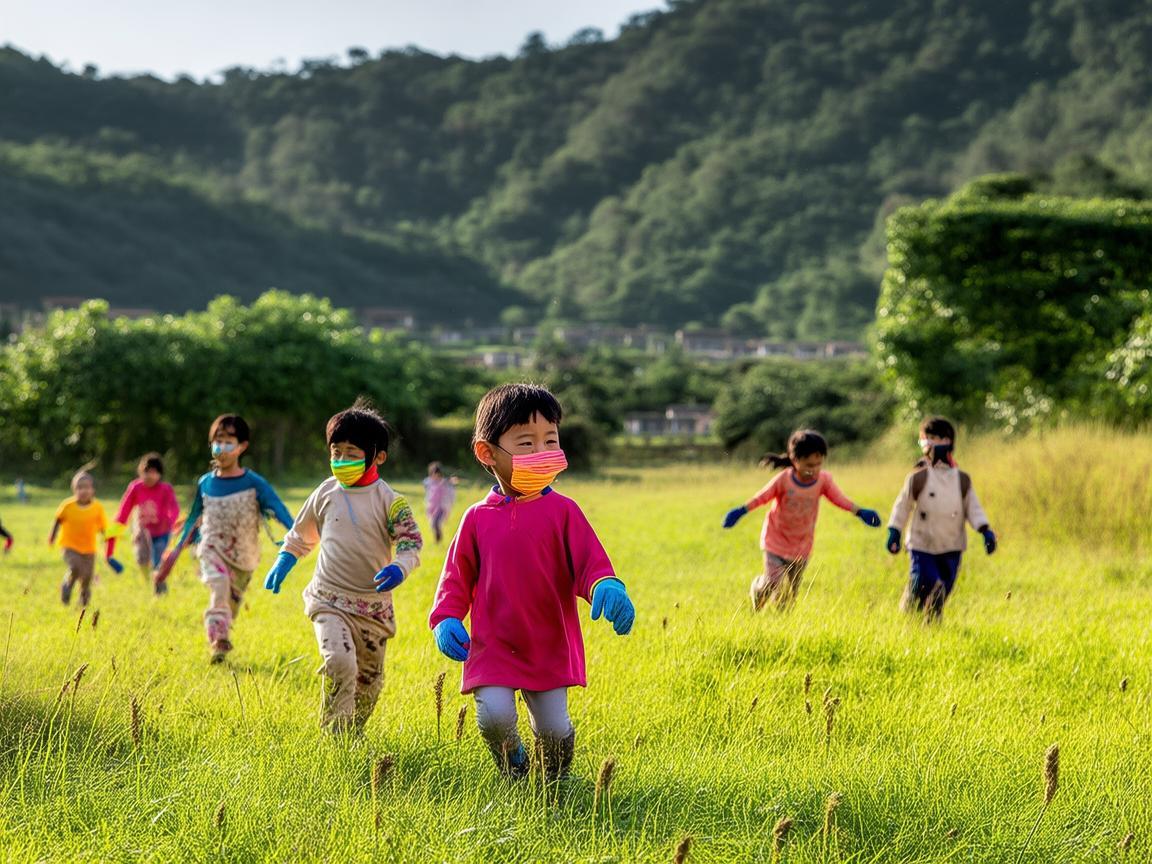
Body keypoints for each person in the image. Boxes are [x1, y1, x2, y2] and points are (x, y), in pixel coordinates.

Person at [429, 383, 635, 780]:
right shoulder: (476, 518)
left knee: (554, 730)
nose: (542, 453)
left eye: (550, 440)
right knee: (493, 717)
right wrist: (446, 618)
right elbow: (455, 577)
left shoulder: (564, 512)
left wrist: (606, 585)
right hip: (493, 643)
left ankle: (553, 782)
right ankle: (515, 771)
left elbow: (590, 563)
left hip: (548, 642)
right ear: (487, 452)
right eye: (526, 443)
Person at [264, 401, 422, 734]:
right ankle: (333, 734)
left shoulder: (391, 501)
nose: (341, 461)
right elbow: (301, 534)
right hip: (329, 599)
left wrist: (400, 567)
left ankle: (352, 733)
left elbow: (411, 544)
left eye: (352, 453)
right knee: (339, 661)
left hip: (372, 609)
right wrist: (284, 560)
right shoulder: (326, 492)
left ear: (378, 456)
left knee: (369, 681)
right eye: (336, 452)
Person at [156, 414, 293, 663]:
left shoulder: (254, 483)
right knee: (219, 584)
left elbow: (278, 508)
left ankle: (221, 639)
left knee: (231, 605)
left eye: (229, 441)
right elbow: (193, 519)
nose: (222, 447)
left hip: (244, 555)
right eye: (218, 441)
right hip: (211, 547)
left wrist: (295, 533)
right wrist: (174, 553)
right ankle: (218, 639)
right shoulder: (205, 483)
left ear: (242, 446)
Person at [722, 429, 881, 611]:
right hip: (775, 540)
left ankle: (781, 622)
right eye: (809, 465)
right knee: (773, 582)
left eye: (818, 464)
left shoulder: (823, 480)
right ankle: (758, 589)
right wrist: (741, 511)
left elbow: (839, 499)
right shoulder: (784, 480)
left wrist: (860, 512)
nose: (814, 470)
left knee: (790, 594)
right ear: (794, 460)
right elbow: (762, 497)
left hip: (801, 544)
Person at [886, 416, 996, 621]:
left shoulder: (961, 479)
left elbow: (973, 508)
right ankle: (912, 601)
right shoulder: (918, 477)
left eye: (934, 437)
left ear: (948, 441)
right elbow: (902, 505)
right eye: (925, 438)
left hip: (952, 544)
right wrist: (895, 530)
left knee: (945, 585)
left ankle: (931, 619)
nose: (928, 442)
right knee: (926, 580)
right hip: (921, 543)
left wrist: (985, 530)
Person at [48, 468, 122, 606]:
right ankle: (67, 586)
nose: (83, 491)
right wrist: (52, 536)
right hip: (69, 545)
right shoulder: (67, 506)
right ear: (74, 490)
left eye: (87, 487)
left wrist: (110, 540)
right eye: (79, 487)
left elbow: (103, 528)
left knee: (87, 576)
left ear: (93, 490)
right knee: (75, 567)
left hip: (89, 548)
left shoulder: (97, 508)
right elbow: (58, 520)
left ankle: (83, 602)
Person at [107, 452, 181, 584]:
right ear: (141, 472)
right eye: (146, 472)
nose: (149, 476)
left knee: (158, 556)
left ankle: (158, 583)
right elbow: (124, 511)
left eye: (154, 472)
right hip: (142, 530)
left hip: (162, 531)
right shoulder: (136, 487)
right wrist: (115, 530)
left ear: (159, 474)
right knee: (141, 557)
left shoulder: (165, 489)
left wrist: (171, 522)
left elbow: (174, 508)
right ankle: (147, 582)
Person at [423, 461, 457, 544]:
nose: (436, 477)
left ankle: (438, 540)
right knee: (433, 524)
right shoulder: (430, 482)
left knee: (437, 523)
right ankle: (437, 539)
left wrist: (451, 481)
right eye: (434, 475)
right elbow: (426, 482)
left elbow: (449, 487)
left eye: (438, 475)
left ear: (440, 475)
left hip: (441, 507)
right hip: (432, 507)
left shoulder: (443, 483)